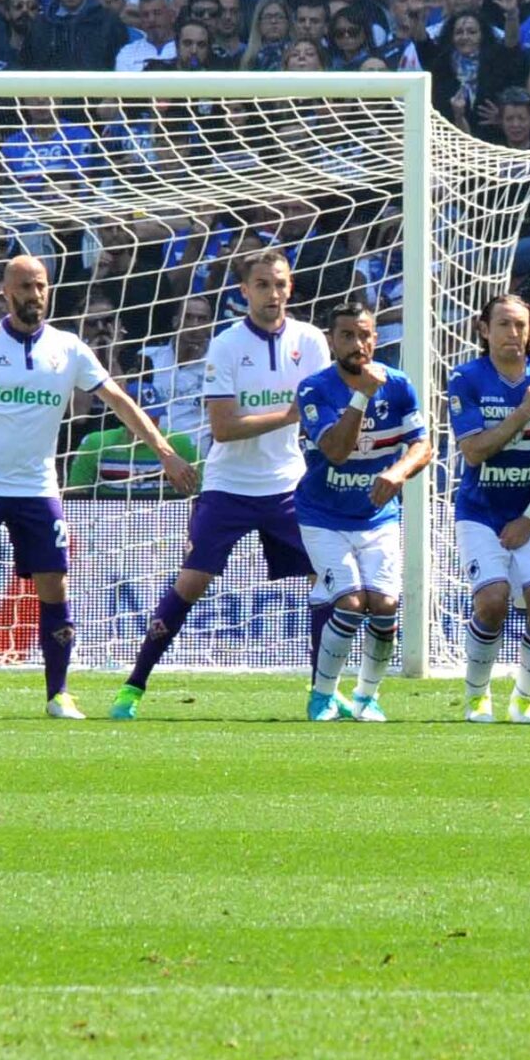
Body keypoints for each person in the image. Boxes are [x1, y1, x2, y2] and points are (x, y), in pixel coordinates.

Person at [0, 257, 195, 719]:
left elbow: (118, 400)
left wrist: (164, 451)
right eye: (24, 286)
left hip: (37, 489)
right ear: (6, 292)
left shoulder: (69, 348)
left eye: (40, 286)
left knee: (54, 587)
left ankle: (58, 693)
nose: (33, 294)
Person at [112, 250, 330, 719]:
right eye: (263, 285)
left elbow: (321, 413)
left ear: (290, 287)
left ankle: (322, 694)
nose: (274, 293)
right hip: (229, 484)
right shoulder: (228, 345)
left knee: (324, 581)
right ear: (244, 291)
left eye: (280, 284)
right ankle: (134, 685)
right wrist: (290, 414)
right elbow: (224, 428)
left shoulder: (311, 341)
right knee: (191, 583)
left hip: (288, 484)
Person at [294, 300, 434, 723]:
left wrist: (398, 472)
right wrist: (361, 396)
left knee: (386, 604)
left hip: (376, 515)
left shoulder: (399, 384)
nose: (359, 344)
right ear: (332, 340)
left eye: (366, 334)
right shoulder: (314, 389)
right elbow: (335, 452)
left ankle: (367, 697)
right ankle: (322, 696)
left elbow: (424, 445)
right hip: (322, 515)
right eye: (348, 336)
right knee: (352, 603)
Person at [446, 294, 530, 724]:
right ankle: (476, 694)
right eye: (503, 324)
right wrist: (525, 410)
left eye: (520, 325)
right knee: (492, 601)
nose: (513, 334)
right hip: (480, 511)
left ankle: (524, 697)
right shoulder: (465, 378)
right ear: (484, 330)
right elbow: (474, 452)